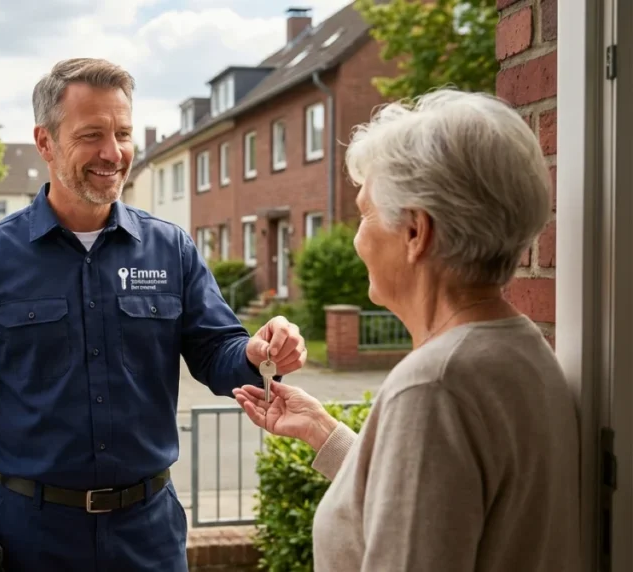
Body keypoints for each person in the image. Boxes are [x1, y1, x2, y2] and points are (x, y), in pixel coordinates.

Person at [0, 57, 307, 572]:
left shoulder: (171, 249)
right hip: (32, 535)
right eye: (92, 134)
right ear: (45, 141)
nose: (113, 152)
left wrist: (256, 351)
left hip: (148, 533)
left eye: (122, 132)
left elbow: (216, 350)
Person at [233, 88, 581, 571]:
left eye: (364, 214)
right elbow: (448, 502)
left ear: (416, 232)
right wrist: (324, 433)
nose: (357, 238)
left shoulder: (434, 386)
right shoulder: (520, 348)